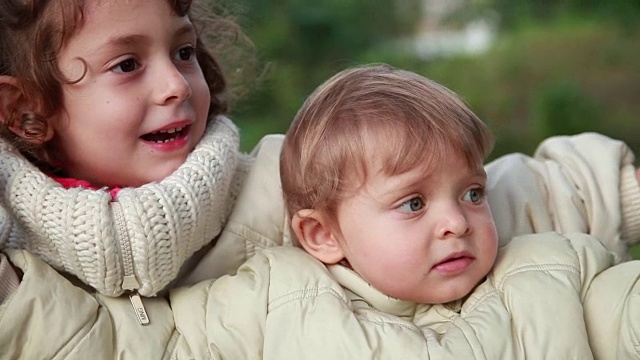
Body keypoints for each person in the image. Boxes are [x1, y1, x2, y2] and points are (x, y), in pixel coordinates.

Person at [2, 59, 640, 358]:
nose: (458, 221)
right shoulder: (271, 297)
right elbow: (130, 347)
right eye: (413, 203)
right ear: (321, 234)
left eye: (470, 193)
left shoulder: (555, 270)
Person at [0, 0, 291, 318]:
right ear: (26, 110)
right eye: (126, 65)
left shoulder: (285, 194)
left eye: (184, 52)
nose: (176, 86)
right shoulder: (11, 270)